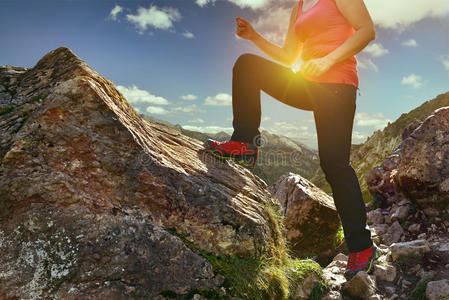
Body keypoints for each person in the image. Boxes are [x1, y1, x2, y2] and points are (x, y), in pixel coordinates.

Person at [204, 0, 379, 280]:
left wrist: (327, 60)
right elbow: (288, 56)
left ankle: (362, 247)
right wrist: (254, 36)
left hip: (337, 84)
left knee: (334, 166)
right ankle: (245, 142)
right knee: (247, 64)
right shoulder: (298, 7)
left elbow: (366, 31)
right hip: (308, 83)